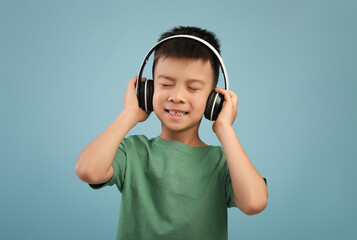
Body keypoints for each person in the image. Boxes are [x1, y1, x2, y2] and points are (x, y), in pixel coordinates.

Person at [75, 26, 268, 240]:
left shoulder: (221, 162)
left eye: (193, 88)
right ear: (147, 90)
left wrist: (224, 128)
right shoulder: (133, 152)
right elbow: (88, 170)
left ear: (215, 100)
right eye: (166, 84)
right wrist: (129, 113)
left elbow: (254, 203)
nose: (177, 97)